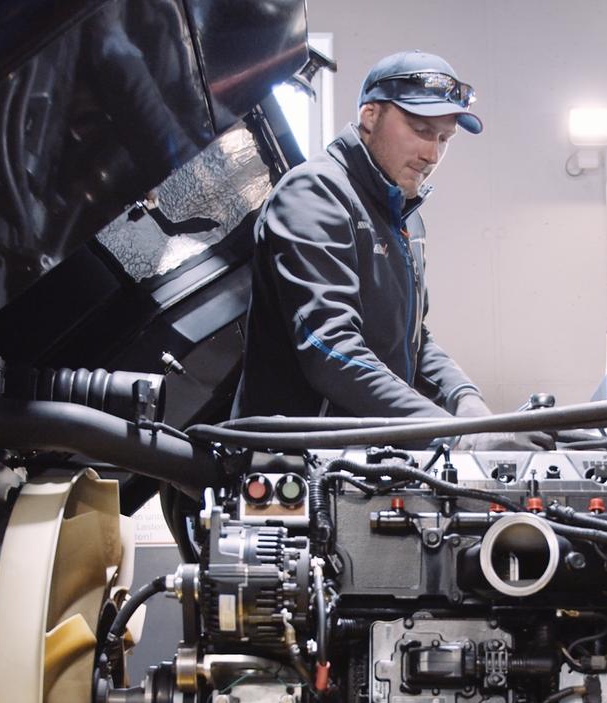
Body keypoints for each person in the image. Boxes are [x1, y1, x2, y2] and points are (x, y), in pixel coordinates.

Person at [232, 51, 544, 449]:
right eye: (420, 130)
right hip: (296, 462)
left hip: (367, 459)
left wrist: (467, 401)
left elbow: (415, 340)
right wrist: (454, 437)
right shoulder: (315, 194)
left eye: (444, 138)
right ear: (370, 115)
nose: (432, 154)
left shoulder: (405, 217)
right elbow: (330, 351)